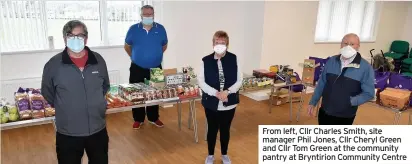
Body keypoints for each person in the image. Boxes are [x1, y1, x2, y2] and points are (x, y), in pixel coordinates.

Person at [41, 20, 110, 164]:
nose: (76, 39)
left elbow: (105, 86)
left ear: (86, 38)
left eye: (80, 36)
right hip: (68, 132)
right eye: (71, 35)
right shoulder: (53, 65)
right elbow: (48, 92)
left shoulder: (98, 60)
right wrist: (66, 107)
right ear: (65, 38)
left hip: (98, 129)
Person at [307, 33, 375, 125]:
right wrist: (313, 102)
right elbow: (321, 83)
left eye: (352, 44)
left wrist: (350, 102)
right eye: (345, 43)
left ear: (358, 46)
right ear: (341, 44)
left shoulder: (365, 67)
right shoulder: (331, 61)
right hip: (325, 111)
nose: (348, 47)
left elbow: (369, 93)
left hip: (345, 115)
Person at [198, 31, 243, 164]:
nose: (219, 45)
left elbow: (239, 80)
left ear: (227, 45)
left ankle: (224, 154)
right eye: (217, 42)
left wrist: (227, 92)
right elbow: (201, 81)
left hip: (229, 101)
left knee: (225, 129)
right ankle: (210, 155)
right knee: (212, 129)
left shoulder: (234, 58)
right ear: (213, 44)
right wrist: (216, 93)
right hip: (211, 101)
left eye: (222, 43)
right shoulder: (205, 60)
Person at [124, 5, 168, 129]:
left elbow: (164, 46)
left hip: (156, 68)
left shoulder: (161, 29)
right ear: (141, 15)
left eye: (150, 14)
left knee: (154, 93)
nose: (148, 16)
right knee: (136, 94)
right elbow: (127, 46)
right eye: (146, 14)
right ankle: (138, 119)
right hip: (137, 67)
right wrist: (134, 57)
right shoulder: (133, 29)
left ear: (154, 15)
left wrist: (154, 56)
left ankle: (154, 118)